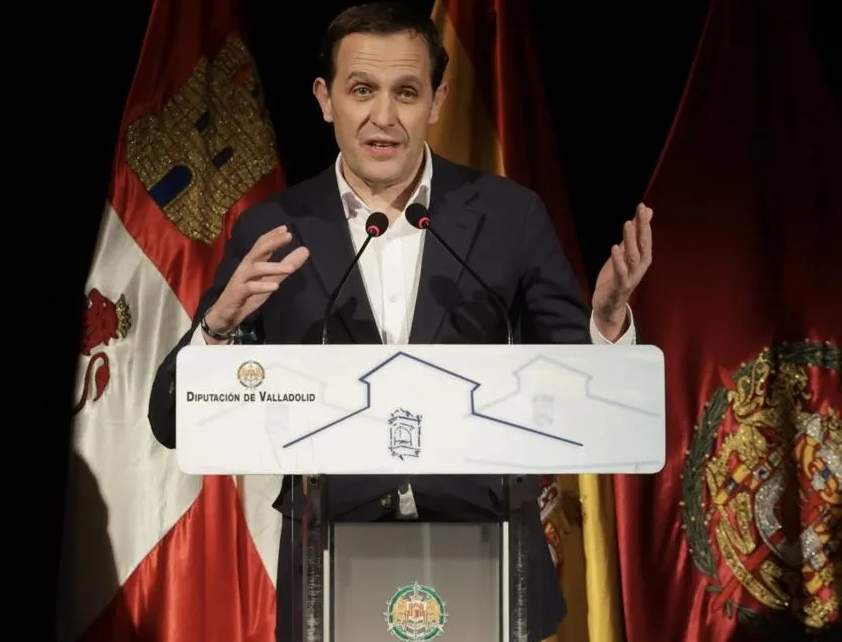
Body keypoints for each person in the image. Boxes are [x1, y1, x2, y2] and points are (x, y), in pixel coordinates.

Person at [147, 2, 654, 640]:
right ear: (325, 99)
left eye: (406, 92)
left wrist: (605, 327)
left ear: (436, 102)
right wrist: (216, 329)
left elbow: (589, 403)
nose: (383, 116)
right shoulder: (273, 229)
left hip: (490, 551)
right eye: (362, 90)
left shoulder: (508, 215)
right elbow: (171, 421)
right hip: (331, 570)